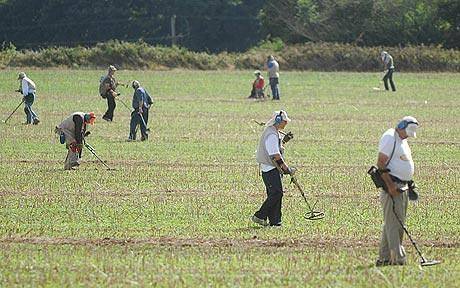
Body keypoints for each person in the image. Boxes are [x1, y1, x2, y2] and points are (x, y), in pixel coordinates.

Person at [375, 116, 419, 266]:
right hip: (392, 187)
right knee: (395, 225)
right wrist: (391, 186)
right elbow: (381, 163)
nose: (408, 135)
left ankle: (384, 258)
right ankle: (397, 260)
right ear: (401, 126)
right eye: (407, 131)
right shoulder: (390, 137)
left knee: (392, 223)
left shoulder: (403, 140)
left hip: (402, 187)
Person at [252, 110, 293, 227]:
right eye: (285, 121)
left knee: (275, 194)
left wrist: (283, 142)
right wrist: (285, 168)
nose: (286, 124)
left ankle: (275, 222)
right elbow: (274, 154)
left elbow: (276, 148)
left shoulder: (274, 132)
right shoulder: (271, 135)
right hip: (270, 169)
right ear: (279, 121)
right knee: (276, 193)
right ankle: (259, 216)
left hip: (271, 168)